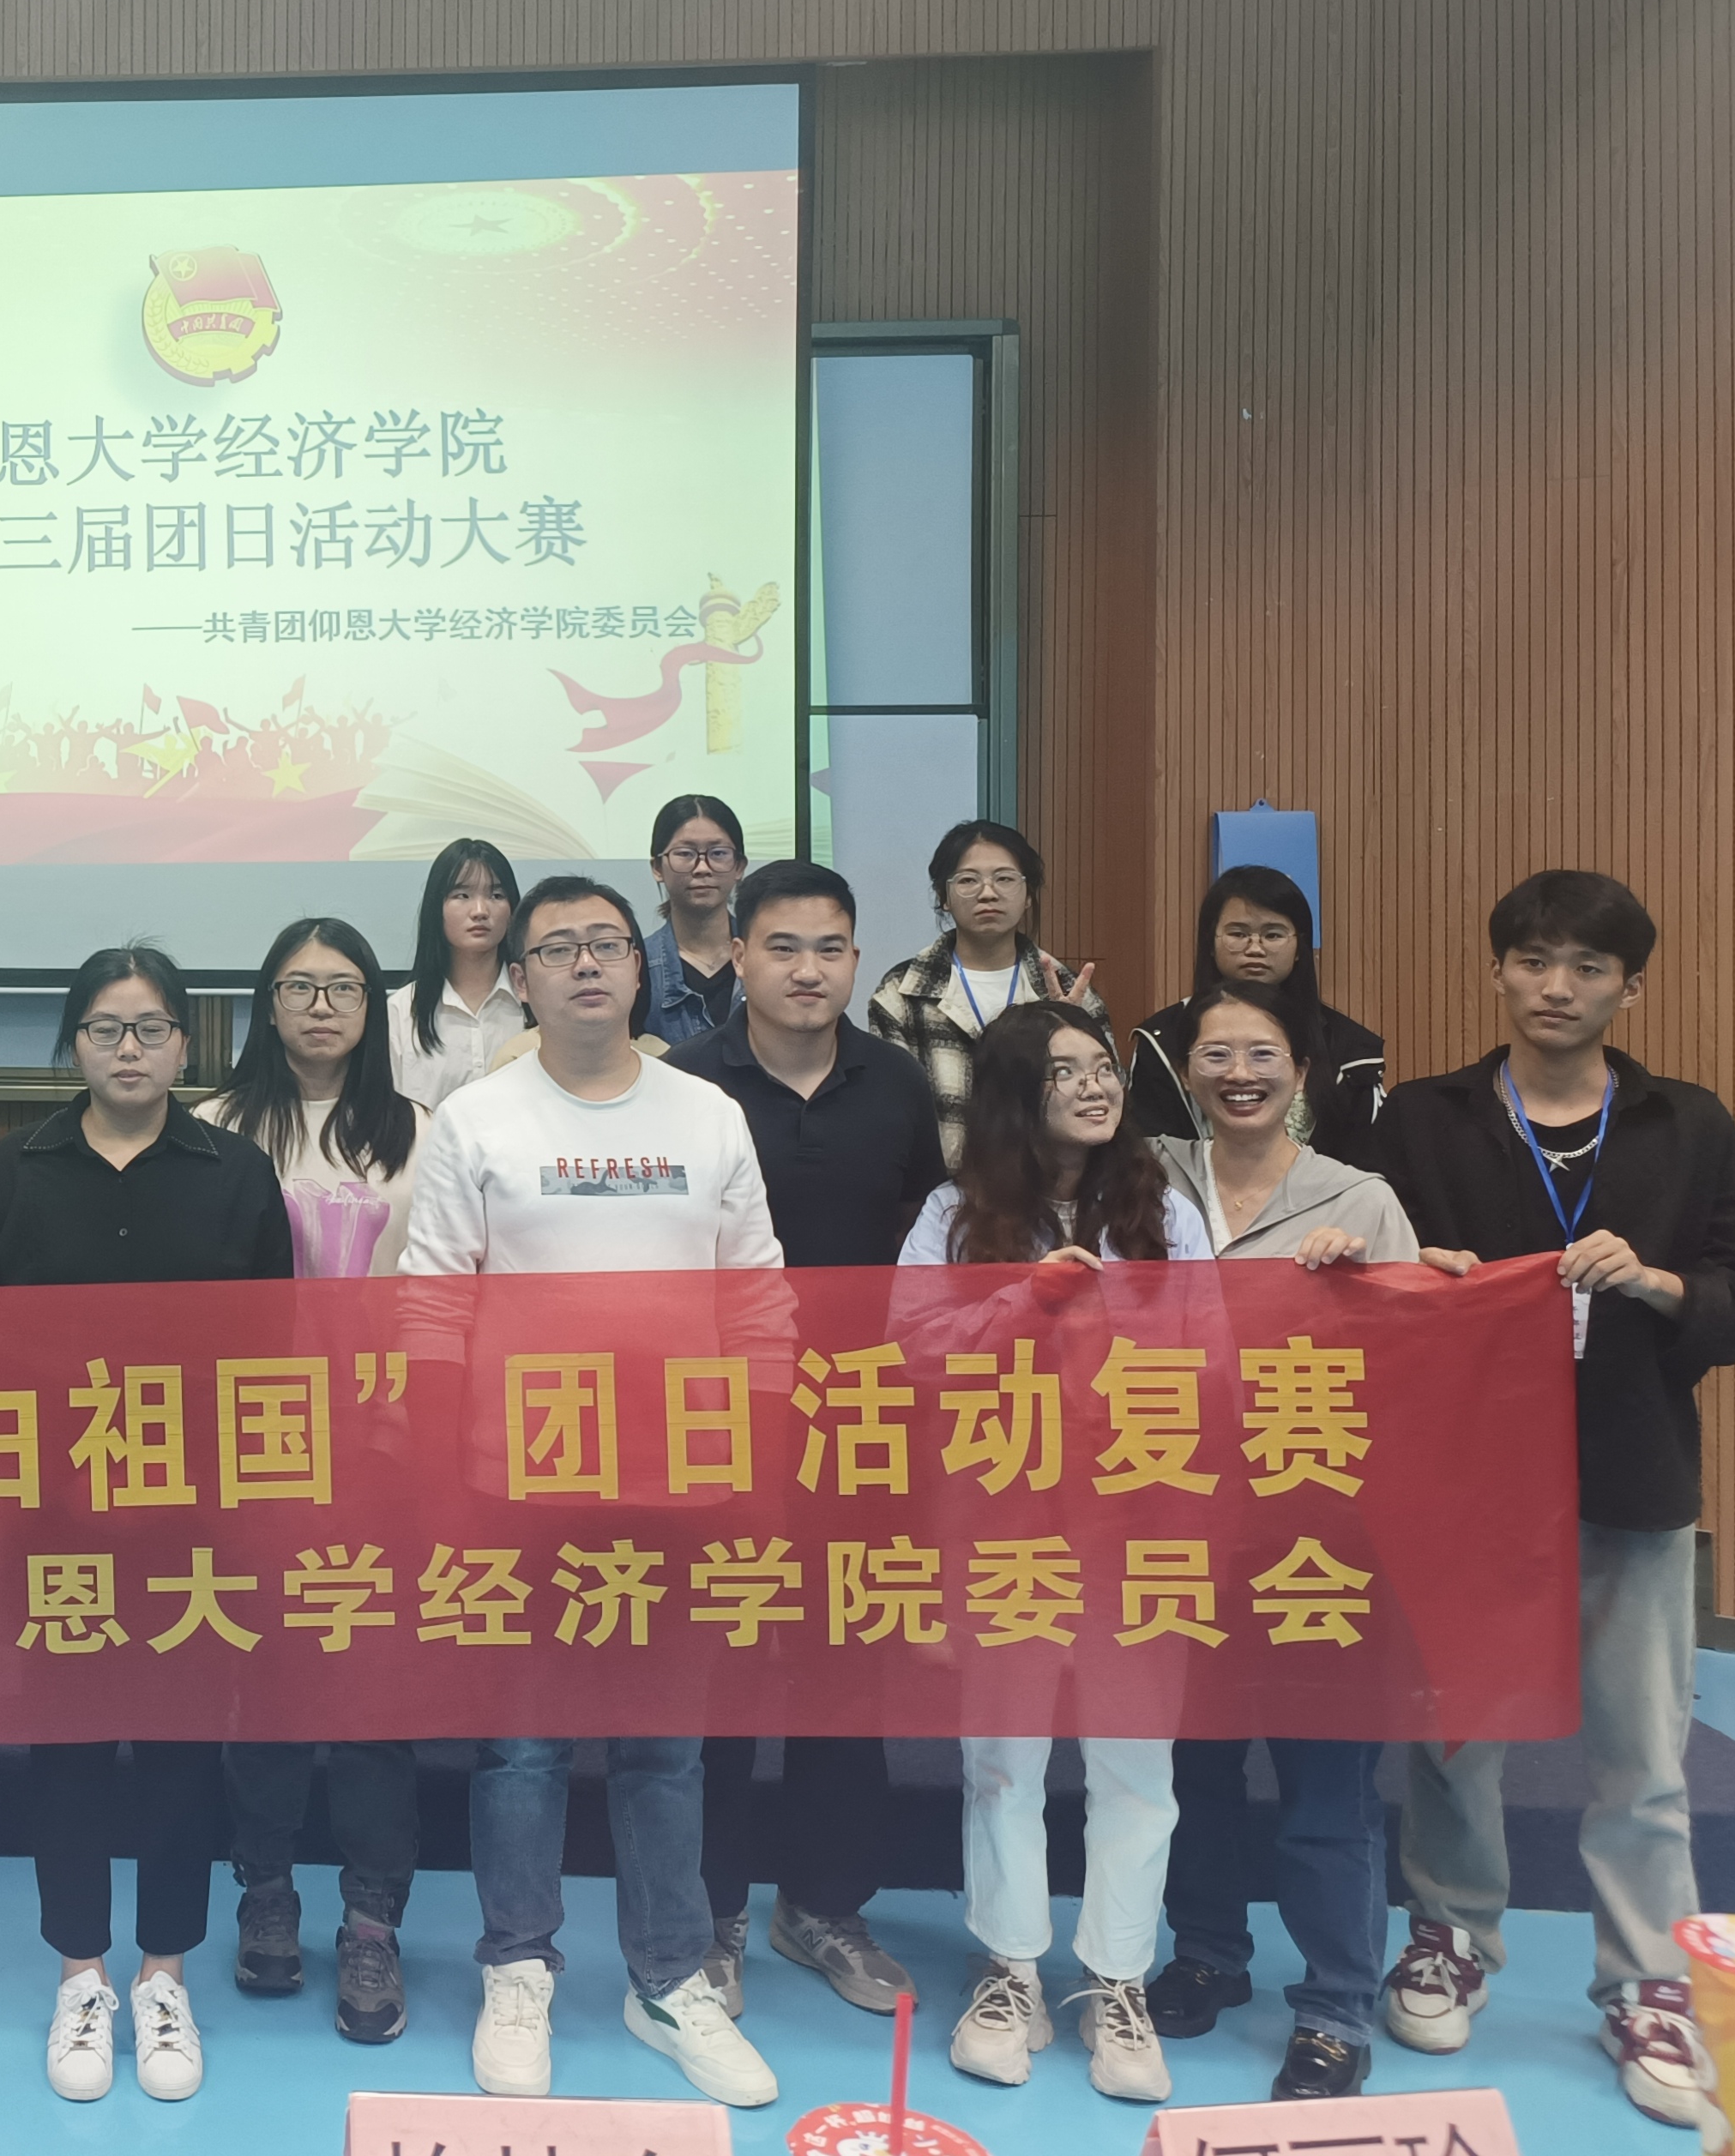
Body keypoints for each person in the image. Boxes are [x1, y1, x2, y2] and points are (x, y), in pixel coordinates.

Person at [1371, 871, 1735, 2135]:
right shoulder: (1422, 1120)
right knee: (1456, 1734)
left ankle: (1647, 1982)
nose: (1556, 987)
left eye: (1587, 968)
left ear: (1628, 989)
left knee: (1642, 1752)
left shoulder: (1686, 1124)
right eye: (1534, 960)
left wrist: (1659, 1285)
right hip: (1463, 1482)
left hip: (1630, 1471)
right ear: (1498, 970)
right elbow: (1364, 1288)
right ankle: (1451, 1935)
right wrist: (1413, 1275)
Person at [397, 874, 783, 2111]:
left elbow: (756, 1294)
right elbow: (433, 1298)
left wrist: (760, 1454)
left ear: (639, 966)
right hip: (518, 1482)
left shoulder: (708, 1113)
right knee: (522, 1746)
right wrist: (442, 1474)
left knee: (667, 1748)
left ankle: (668, 1978)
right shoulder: (477, 1118)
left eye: (607, 944)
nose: (585, 965)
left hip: (680, 1480)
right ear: (519, 979)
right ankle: (518, 1967)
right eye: (556, 948)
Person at [0, 945, 289, 2105]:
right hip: (51, 1513)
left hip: (189, 1520)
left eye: (151, 1028)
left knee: (179, 1749)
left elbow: (274, 1354)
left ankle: (163, 1977)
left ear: (184, 1045)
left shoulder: (235, 1172)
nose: (129, 1049)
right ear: (74, 1043)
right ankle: (79, 1975)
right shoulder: (15, 1172)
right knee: (63, 1745)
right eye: (105, 1028)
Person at [898, 1000, 1207, 2108]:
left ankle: (1116, 1980)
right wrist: (1024, 1305)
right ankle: (1010, 1968)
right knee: (1001, 1758)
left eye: (1101, 1066)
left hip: (1139, 1527)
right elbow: (911, 1351)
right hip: (1006, 1526)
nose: (1093, 1085)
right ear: (1012, 1097)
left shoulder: (1165, 1209)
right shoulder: (952, 1214)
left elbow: (1216, 1358)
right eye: (1063, 1071)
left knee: (1137, 1770)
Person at [665, 861, 942, 2026]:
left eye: (830, 948)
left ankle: (825, 1906)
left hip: (863, 1423)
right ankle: (713, 1911)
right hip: (723, 1422)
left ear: (856, 959)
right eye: (782, 947)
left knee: (846, 1669)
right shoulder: (686, 1085)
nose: (807, 970)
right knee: (722, 1673)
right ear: (738, 955)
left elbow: (930, 1242)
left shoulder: (897, 1084)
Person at [1136, 978, 1419, 2101]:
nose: (1238, 1074)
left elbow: (1419, 1368)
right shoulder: (1144, 1183)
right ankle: (1208, 1955)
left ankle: (1338, 2006)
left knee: (1325, 1788)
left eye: (1262, 1054)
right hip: (1178, 1527)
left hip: (1320, 1542)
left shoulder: (1362, 1198)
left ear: (1301, 1073)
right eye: (1215, 1054)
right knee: (1195, 1770)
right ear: (1186, 1072)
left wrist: (1371, 1292)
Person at [200, 915, 427, 2041]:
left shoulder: (423, 1132)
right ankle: (268, 1893)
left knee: (378, 1695)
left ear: (371, 1007)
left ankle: (373, 1923)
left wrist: (401, 1423)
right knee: (270, 1684)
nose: (322, 1006)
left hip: (390, 1448)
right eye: (299, 987)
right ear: (268, 1005)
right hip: (255, 1451)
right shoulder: (215, 1127)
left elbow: (450, 1291)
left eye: (343, 988)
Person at [864, 821, 1108, 1165]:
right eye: (968, 880)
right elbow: (894, 1114)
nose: (988, 893)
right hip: (941, 1186)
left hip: (1049, 1181)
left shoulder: (1069, 990)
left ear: (1028, 895)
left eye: (1005, 879)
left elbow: (1104, 1102)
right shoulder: (901, 994)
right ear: (943, 897)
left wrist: (1068, 1027)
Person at [1124, 867, 1389, 1169]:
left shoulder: (1353, 1051)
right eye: (1238, 934)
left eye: (1273, 935)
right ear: (1210, 942)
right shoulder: (1162, 1040)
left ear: (1299, 946)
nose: (1255, 948)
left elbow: (1366, 1160)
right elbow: (1146, 1155)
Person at [389, 839, 523, 1107]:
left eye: (496, 896)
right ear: (436, 907)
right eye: (462, 895)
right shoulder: (400, 1012)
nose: (480, 911)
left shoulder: (539, 1003)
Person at [638, 795, 750, 1045]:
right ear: (657, 867)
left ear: (739, 867)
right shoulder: (637, 966)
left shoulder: (766, 957)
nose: (702, 868)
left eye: (718, 853)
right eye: (685, 853)